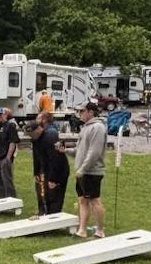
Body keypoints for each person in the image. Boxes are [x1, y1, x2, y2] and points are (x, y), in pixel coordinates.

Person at [73, 101, 107, 238]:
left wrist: (83, 168)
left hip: (91, 172)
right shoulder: (85, 127)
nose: (79, 114)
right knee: (82, 200)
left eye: (82, 111)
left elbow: (94, 152)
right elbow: (80, 149)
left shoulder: (98, 127)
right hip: (82, 171)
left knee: (94, 201)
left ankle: (100, 230)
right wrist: (65, 150)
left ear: (91, 112)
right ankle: (82, 230)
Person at [26, 111, 60, 216]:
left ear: (44, 119)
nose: (37, 120)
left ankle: (47, 211)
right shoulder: (38, 135)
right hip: (40, 165)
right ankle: (42, 209)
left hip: (47, 167)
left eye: (38, 118)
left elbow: (52, 156)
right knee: (40, 188)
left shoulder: (50, 132)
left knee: (46, 190)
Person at [44, 136, 70, 215]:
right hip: (59, 177)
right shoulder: (56, 152)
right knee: (55, 198)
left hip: (57, 179)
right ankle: (52, 214)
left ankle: (53, 216)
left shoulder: (55, 153)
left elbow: (55, 166)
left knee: (54, 198)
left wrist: (52, 180)